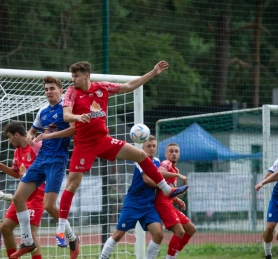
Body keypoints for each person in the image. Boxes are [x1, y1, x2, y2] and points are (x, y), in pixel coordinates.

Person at [56, 61, 188, 247]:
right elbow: (66, 115)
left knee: (140, 155)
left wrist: (153, 72)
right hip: (84, 145)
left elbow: (129, 86)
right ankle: (61, 230)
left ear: (86, 75)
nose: (73, 79)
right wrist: (78, 117)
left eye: (76, 76)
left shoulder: (102, 87)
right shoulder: (71, 92)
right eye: (72, 76)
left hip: (103, 140)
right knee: (72, 184)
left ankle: (166, 189)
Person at [9, 76, 77, 259]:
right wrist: (30, 136)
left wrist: (50, 136)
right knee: (18, 197)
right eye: (46, 89)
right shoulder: (43, 112)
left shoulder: (67, 108)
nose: (48, 91)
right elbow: (32, 130)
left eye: (52, 88)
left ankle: (71, 237)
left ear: (60, 90)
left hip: (57, 160)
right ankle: (27, 240)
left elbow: (74, 129)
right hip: (41, 159)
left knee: (49, 206)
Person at [0, 122, 45, 259]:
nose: (9, 141)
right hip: (21, 197)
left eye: (9, 137)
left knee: (31, 234)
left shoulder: (36, 146)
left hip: (37, 194)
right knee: (5, 227)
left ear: (17, 135)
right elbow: (16, 173)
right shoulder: (17, 151)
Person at [100, 135, 163, 259]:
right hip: (133, 203)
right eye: (149, 146)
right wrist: (166, 186)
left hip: (148, 205)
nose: (151, 148)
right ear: (143, 148)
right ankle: (102, 257)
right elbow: (148, 180)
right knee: (118, 234)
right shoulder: (140, 160)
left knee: (158, 234)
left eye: (154, 146)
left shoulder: (157, 161)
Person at [154, 143, 195, 259]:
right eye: (171, 151)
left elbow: (168, 188)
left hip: (170, 203)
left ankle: (173, 255)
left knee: (191, 229)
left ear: (179, 154)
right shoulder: (166, 164)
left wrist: (176, 200)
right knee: (180, 232)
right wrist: (178, 175)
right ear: (165, 154)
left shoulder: (174, 169)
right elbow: (159, 173)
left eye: (176, 151)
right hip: (162, 203)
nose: (174, 154)